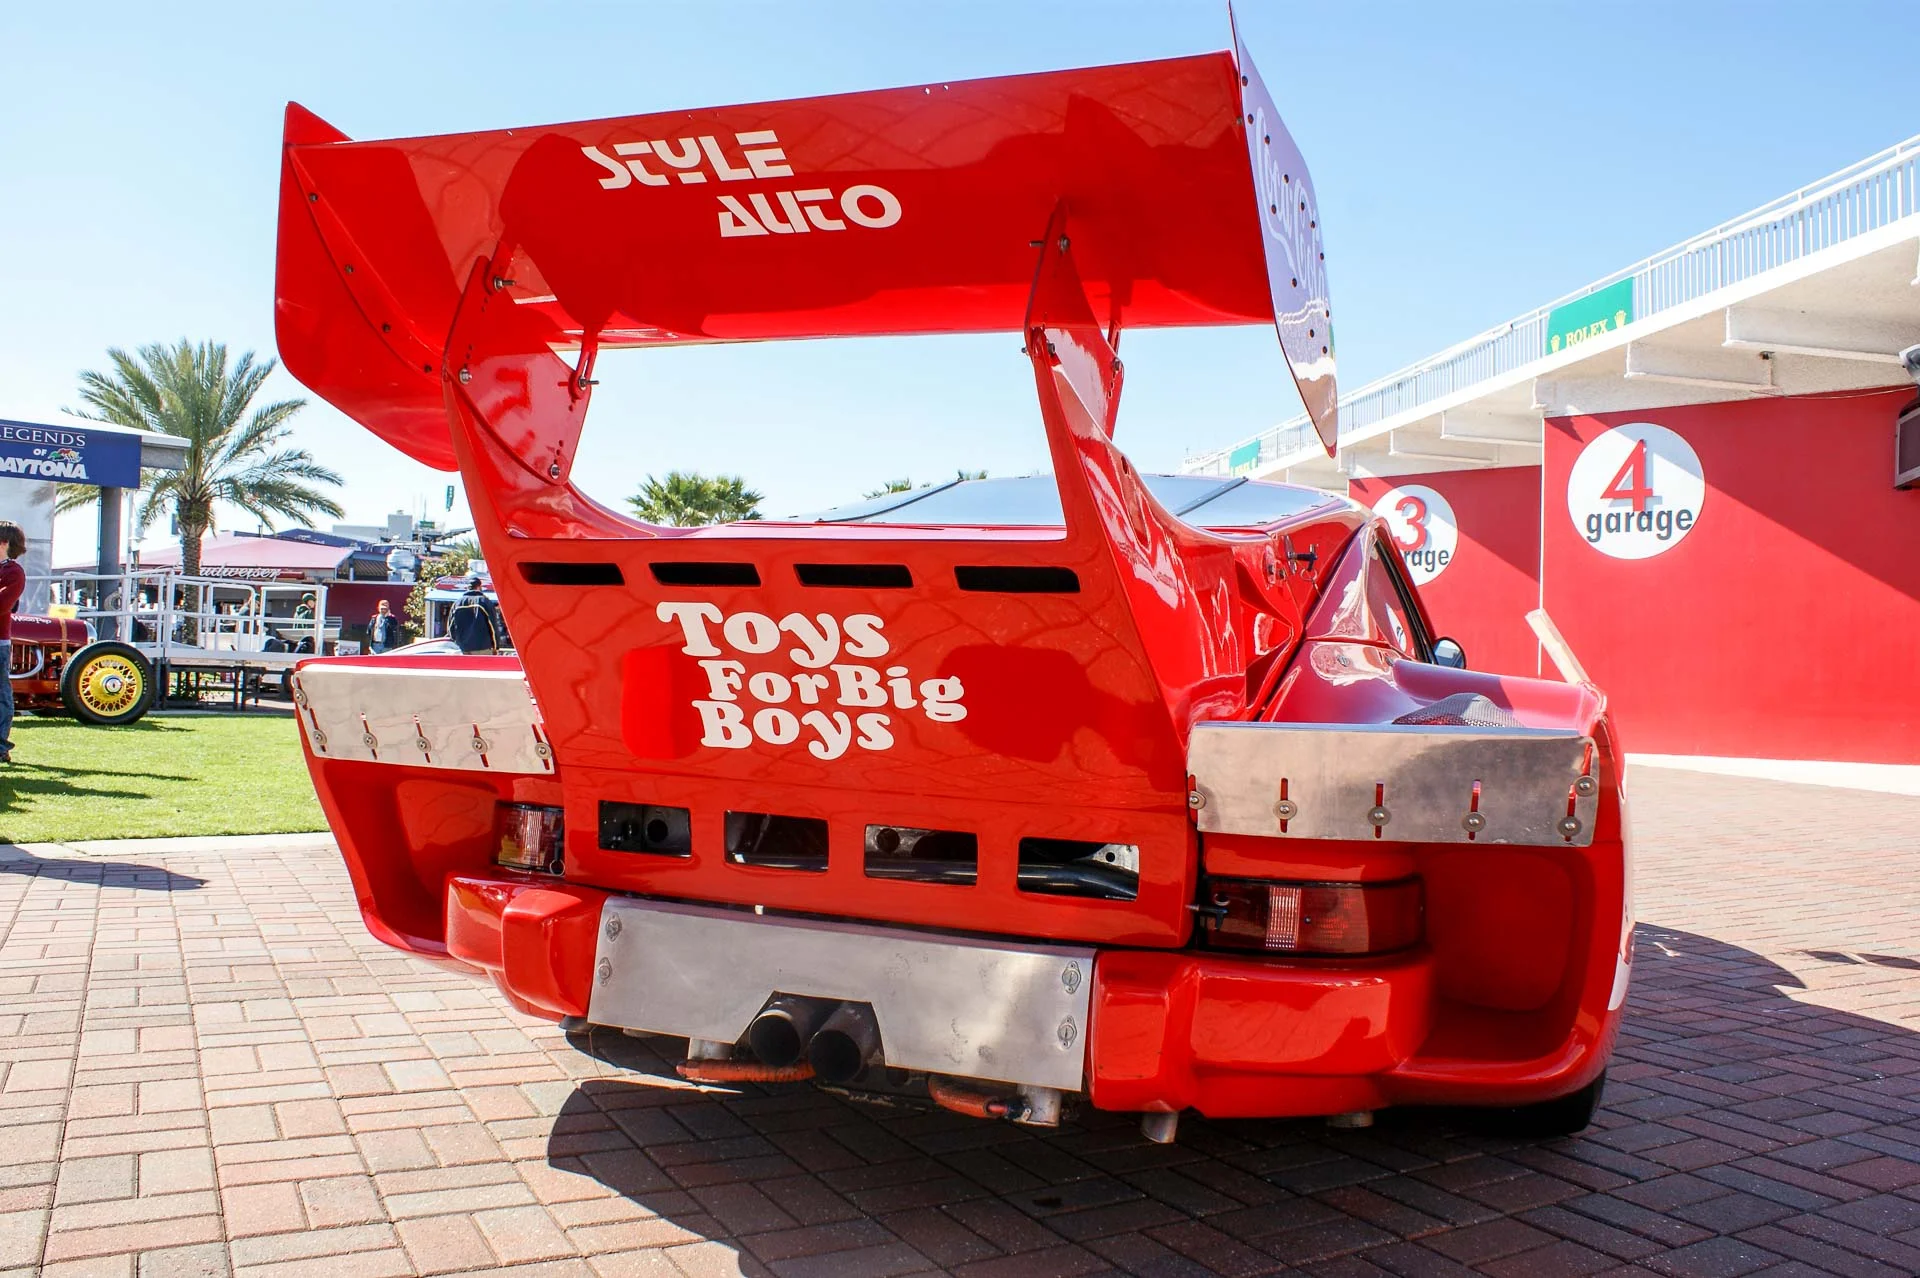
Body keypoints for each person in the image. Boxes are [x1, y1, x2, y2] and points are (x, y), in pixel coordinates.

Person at [0, 522, 25, 763]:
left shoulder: (13, 572)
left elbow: (3, 604)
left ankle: (0, 746)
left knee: (0, 694)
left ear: (5, 543)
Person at [447, 575, 504, 654]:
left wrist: (458, 643)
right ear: (479, 587)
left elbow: (450, 628)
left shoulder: (457, 604)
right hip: (483, 648)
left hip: (463, 649)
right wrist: (496, 646)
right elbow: (493, 626)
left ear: (468, 587)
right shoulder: (485, 602)